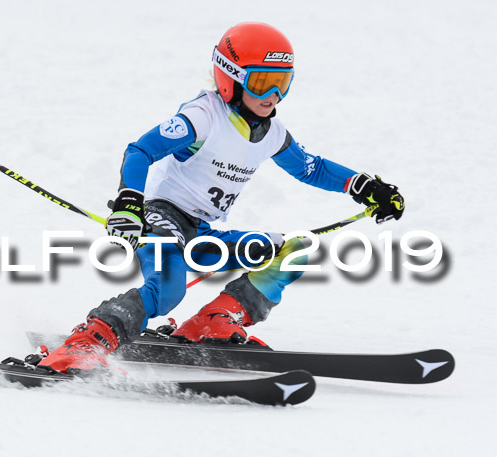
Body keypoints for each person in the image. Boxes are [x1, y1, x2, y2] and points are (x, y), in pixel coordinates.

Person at [38, 22, 405, 373]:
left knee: (292, 250)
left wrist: (364, 186)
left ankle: (213, 322)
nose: (273, 96)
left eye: (282, 84)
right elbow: (139, 151)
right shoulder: (203, 117)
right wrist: (130, 201)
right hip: (163, 216)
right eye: (262, 83)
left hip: (200, 232)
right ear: (230, 78)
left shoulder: (272, 131)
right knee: (168, 288)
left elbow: (312, 168)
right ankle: (88, 341)